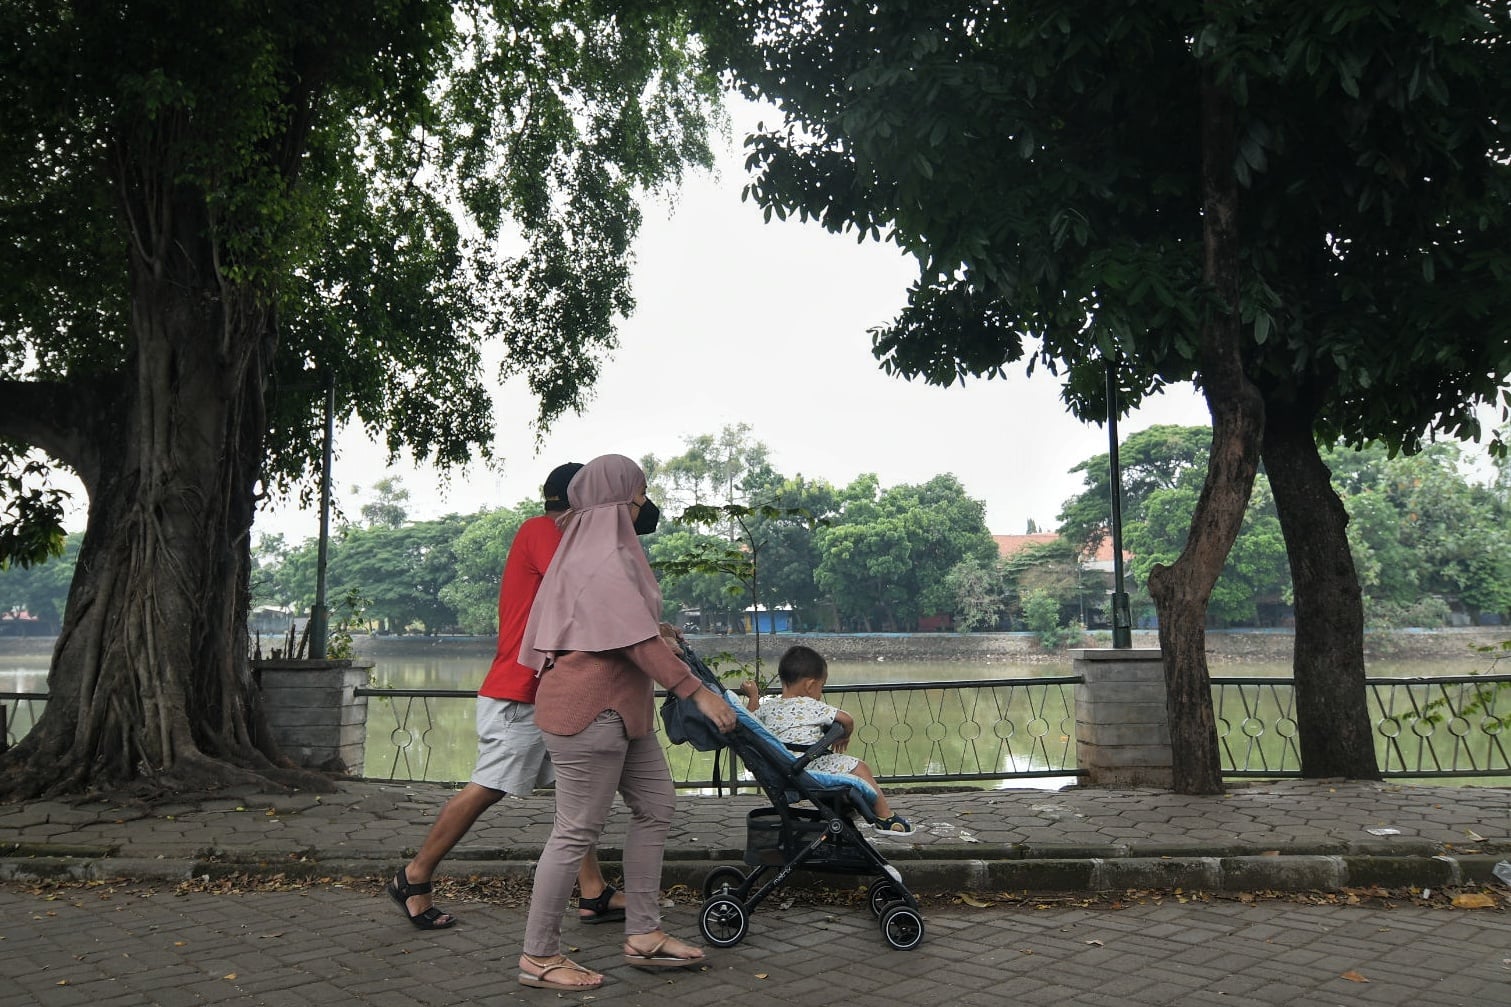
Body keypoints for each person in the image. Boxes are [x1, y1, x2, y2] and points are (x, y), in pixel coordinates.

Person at [514, 453, 737, 992]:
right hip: (589, 712)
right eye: (639, 496)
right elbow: (632, 640)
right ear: (617, 501)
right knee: (575, 832)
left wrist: (658, 630)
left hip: (622, 713)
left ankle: (644, 933)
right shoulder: (599, 557)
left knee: (656, 805)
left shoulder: (598, 551)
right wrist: (697, 692)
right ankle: (538, 955)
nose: (643, 506)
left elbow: (622, 626)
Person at [385, 462, 625, 930]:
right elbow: (583, 586)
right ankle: (413, 876)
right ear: (580, 499)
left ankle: (593, 891)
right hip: (521, 693)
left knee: (573, 792)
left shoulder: (564, 536)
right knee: (488, 786)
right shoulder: (542, 530)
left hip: (553, 691)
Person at [739, 644, 914, 834]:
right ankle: (886, 818)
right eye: (821, 687)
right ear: (810, 685)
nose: (820, 693)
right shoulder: (811, 705)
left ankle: (848, 809)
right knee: (860, 767)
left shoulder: (769, 707)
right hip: (806, 769)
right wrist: (844, 736)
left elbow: (749, 720)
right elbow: (847, 719)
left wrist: (753, 696)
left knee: (838, 764)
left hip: (781, 770)